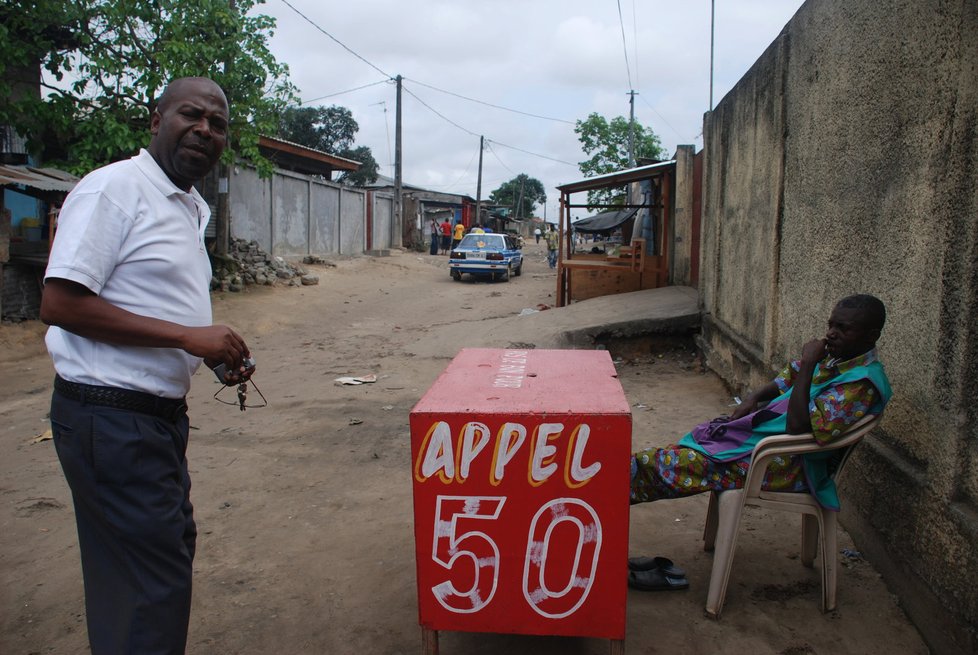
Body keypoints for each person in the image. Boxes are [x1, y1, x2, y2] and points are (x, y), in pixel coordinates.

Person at [39, 77, 254, 654]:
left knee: (144, 575)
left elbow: (147, 302)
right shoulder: (113, 190)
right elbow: (59, 304)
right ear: (156, 121)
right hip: (111, 422)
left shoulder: (188, 207)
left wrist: (203, 354)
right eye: (192, 115)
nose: (205, 129)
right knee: (152, 588)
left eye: (218, 123)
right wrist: (189, 335)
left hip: (149, 424)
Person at [627, 294, 892, 591]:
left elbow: (797, 426)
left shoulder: (861, 383)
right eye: (831, 324)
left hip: (789, 466)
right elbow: (785, 380)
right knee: (677, 454)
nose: (832, 333)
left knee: (656, 467)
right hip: (768, 449)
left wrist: (808, 364)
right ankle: (621, 486)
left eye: (843, 328)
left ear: (872, 336)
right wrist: (753, 398)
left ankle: (605, 509)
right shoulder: (837, 359)